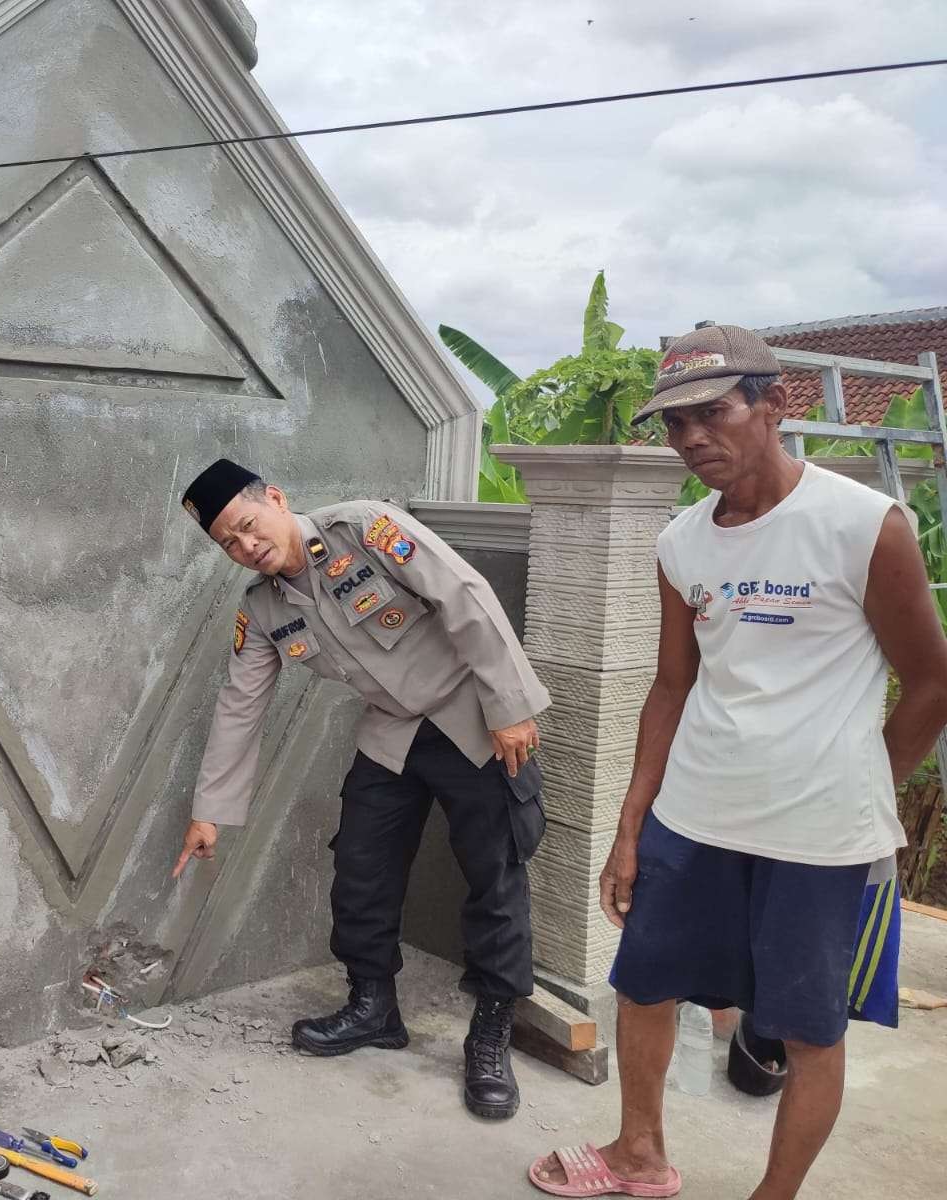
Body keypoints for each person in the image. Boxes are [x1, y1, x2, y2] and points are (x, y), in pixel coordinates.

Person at [528, 324, 947, 1198]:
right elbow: (671, 687)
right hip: (696, 816)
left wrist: (862, 779)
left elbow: (931, 681)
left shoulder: (864, 526)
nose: (690, 440)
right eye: (674, 425)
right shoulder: (682, 542)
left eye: (710, 414)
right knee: (643, 985)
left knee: (806, 1029)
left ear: (775, 405)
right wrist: (631, 825)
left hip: (821, 838)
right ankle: (638, 1154)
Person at [172, 457, 551, 1119]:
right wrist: (210, 812)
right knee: (360, 868)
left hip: (472, 720)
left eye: (248, 525)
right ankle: (373, 1005)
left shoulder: (365, 529)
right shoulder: (262, 610)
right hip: (393, 735)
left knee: (495, 874)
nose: (246, 546)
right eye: (228, 543)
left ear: (277, 499)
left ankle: (491, 1030)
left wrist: (512, 704)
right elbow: (240, 705)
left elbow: (465, 596)